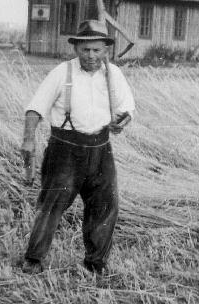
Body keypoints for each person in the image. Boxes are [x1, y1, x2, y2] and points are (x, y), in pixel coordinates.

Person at [20, 19, 135, 275]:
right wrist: (28, 140)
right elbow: (35, 108)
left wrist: (122, 120)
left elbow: (127, 108)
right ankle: (34, 259)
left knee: (105, 205)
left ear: (106, 50)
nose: (91, 56)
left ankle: (96, 264)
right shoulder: (62, 72)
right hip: (65, 149)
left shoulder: (113, 73)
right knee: (52, 204)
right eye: (86, 50)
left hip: (101, 148)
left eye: (97, 50)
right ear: (76, 49)